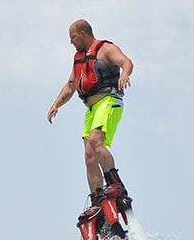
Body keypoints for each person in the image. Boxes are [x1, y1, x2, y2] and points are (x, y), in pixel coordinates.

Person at [47, 19, 134, 212]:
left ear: (83, 34)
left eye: (72, 37)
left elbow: (126, 61)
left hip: (108, 101)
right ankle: (98, 200)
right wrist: (56, 105)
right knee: (88, 155)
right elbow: (70, 86)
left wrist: (125, 74)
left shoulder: (105, 49)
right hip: (91, 109)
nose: (71, 42)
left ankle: (114, 183)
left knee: (96, 141)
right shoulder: (79, 58)